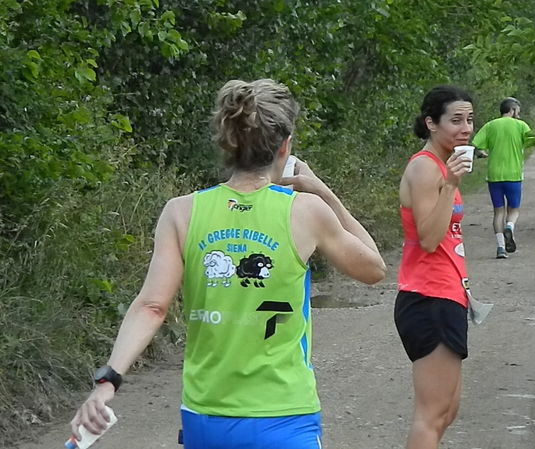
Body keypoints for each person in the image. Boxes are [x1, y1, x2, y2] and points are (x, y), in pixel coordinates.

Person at [69, 79, 387, 449]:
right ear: (285, 146)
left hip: (207, 416)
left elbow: (152, 307)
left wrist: (108, 382)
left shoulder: (182, 212)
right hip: (284, 415)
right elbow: (374, 268)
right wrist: (321, 190)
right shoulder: (305, 212)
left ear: (228, 142)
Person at [395, 85, 474, 449]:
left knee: (447, 411)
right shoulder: (427, 169)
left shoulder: (442, 166)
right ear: (431, 123)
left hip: (447, 293)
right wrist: (451, 184)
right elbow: (428, 239)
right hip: (428, 296)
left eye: (470, 119)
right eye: (455, 120)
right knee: (431, 415)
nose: (466, 128)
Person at [471, 97, 531, 259]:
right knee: (514, 209)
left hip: (494, 175)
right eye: (517, 110)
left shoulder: (490, 125)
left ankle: (500, 248)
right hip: (513, 175)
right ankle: (510, 227)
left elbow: (476, 145)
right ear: (512, 110)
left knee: (498, 212)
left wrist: (481, 153)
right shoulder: (521, 125)